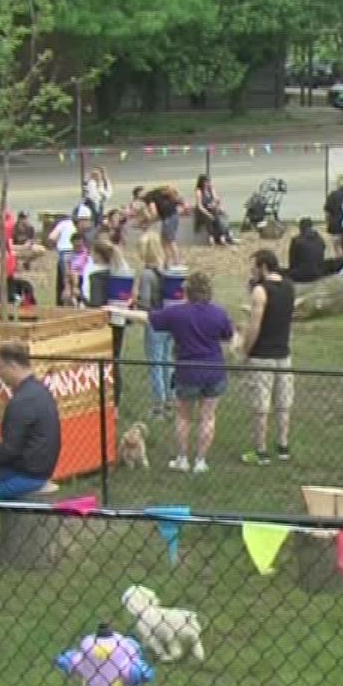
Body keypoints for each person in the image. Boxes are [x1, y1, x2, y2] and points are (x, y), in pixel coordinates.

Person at [115, 272, 234, 473]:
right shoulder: (218, 313)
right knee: (208, 417)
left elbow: (147, 318)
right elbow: (228, 336)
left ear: (187, 291)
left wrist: (119, 311)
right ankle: (201, 461)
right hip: (214, 371)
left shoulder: (177, 313)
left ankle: (182, 459)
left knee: (183, 416)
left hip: (187, 371)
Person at [0, 342, 61, 499]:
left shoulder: (21, 401)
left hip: (26, 475)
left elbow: (9, 451)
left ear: (13, 365)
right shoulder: (40, 391)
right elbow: (24, 442)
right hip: (39, 469)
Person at [238, 251, 294, 465]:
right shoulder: (289, 286)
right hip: (283, 353)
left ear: (263, 267)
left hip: (262, 355)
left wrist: (245, 351)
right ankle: (283, 446)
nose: (252, 272)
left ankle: (260, 451)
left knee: (261, 406)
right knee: (283, 403)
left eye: (254, 267)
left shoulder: (260, 291)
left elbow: (255, 326)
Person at [133, 234, 174, 417]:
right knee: (167, 361)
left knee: (155, 363)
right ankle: (171, 399)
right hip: (170, 321)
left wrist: (135, 302)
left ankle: (158, 404)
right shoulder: (167, 271)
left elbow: (146, 302)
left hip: (154, 322)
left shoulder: (147, 274)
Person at [46, 208, 80, 305]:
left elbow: (51, 237)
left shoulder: (62, 224)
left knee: (65, 282)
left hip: (64, 252)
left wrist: (53, 246)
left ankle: (63, 304)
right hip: (75, 251)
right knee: (75, 280)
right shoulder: (76, 224)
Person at [147, 185, 184, 268]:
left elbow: (154, 213)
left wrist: (148, 222)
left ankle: (177, 262)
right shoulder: (160, 193)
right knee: (164, 241)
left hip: (168, 218)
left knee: (170, 241)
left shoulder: (150, 198)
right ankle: (167, 262)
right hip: (173, 216)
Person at [194, 174, 234, 247]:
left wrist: (215, 204)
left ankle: (221, 238)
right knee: (210, 218)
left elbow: (216, 199)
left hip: (212, 209)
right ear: (202, 182)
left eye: (208, 181)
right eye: (206, 182)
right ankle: (214, 238)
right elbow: (200, 206)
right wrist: (208, 214)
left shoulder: (211, 188)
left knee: (218, 217)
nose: (208, 183)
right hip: (203, 210)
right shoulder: (198, 191)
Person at [286, 217, 327, 283]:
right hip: (318, 273)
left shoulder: (296, 240)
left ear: (300, 228)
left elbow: (292, 261)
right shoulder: (320, 239)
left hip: (301, 275)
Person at [323, 174, 343, 245]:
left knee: (337, 245)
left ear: (338, 183)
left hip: (335, 225)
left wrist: (327, 222)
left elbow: (327, 209)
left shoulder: (333, 194)